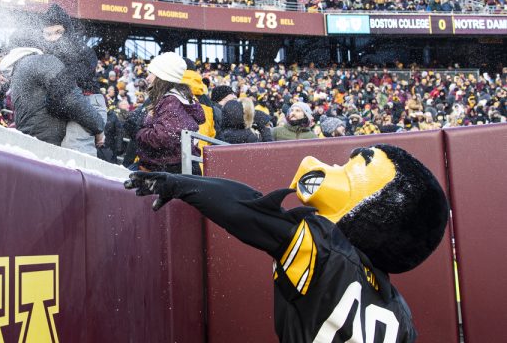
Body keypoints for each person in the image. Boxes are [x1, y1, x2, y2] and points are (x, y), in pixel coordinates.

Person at [126, 145, 448, 342]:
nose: (333, 169)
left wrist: (180, 184)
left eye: (351, 173)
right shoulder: (401, 315)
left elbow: (250, 211)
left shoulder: (326, 253)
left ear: (380, 211)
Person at [0, 47, 105, 147]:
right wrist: (98, 126)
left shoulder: (19, 68)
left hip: (32, 139)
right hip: (49, 142)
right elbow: (71, 99)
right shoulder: (41, 61)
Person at [39, 4, 106, 156]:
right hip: (65, 106)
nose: (53, 38)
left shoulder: (81, 50)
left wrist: (96, 125)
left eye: (58, 32)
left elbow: (68, 83)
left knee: (74, 149)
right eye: (48, 34)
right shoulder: (46, 55)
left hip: (88, 102)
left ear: (67, 31)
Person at [135, 52, 205, 173]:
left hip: (171, 173)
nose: (147, 78)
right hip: (177, 168)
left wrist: (139, 132)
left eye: (151, 73)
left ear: (162, 77)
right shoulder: (180, 98)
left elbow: (164, 137)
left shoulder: (171, 101)